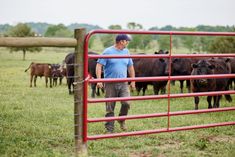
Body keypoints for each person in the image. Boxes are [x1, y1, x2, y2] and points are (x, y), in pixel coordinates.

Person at [96, 34, 135, 133]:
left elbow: (130, 67)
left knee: (126, 103)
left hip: (123, 83)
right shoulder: (107, 51)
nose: (128, 42)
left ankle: (121, 120)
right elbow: (99, 65)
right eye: (127, 41)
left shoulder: (126, 52)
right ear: (121, 41)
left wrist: (133, 80)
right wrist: (99, 80)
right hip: (110, 83)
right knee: (110, 106)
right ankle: (109, 128)